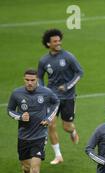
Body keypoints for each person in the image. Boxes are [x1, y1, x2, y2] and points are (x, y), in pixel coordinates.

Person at [7, 69, 59, 173]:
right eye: (27, 80)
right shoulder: (16, 93)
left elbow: (56, 103)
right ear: (24, 80)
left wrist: (49, 118)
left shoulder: (46, 92)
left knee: (35, 170)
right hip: (23, 137)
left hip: (39, 137)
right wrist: (19, 117)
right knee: (26, 170)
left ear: (37, 80)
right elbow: (10, 110)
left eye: (32, 80)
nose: (30, 83)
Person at [38, 28, 84, 165]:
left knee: (66, 126)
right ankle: (58, 155)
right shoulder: (44, 60)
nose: (58, 43)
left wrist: (68, 86)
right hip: (52, 98)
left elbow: (79, 73)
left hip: (68, 97)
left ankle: (73, 131)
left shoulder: (68, 56)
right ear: (48, 44)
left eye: (59, 40)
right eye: (55, 41)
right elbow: (40, 77)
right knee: (50, 124)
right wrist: (43, 89)